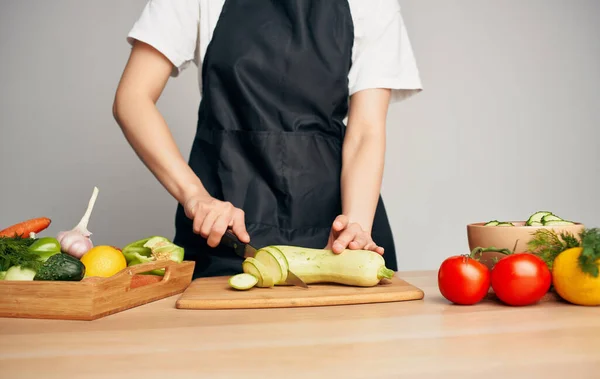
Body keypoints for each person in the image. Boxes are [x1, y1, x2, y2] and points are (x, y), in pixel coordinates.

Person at [113, 0, 422, 278]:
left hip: (334, 230)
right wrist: (196, 197)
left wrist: (355, 228)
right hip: (225, 229)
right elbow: (133, 98)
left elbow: (366, 130)